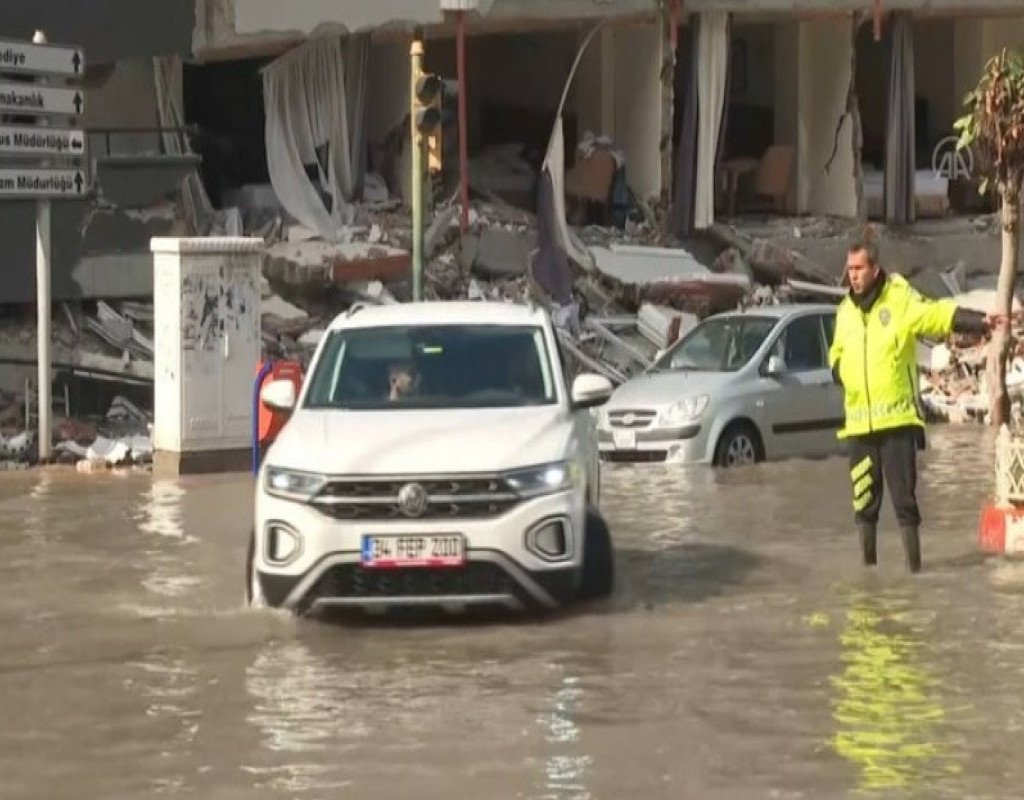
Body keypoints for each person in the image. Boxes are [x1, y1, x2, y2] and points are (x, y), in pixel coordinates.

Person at [828, 227, 1007, 572]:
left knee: (904, 504)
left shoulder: (900, 300)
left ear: (875, 269)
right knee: (863, 503)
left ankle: (915, 574)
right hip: (859, 428)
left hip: (897, 424)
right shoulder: (844, 312)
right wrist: (839, 371)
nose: (853, 276)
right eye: (849, 270)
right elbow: (835, 351)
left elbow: (937, 314)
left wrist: (980, 321)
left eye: (859, 269)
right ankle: (870, 575)